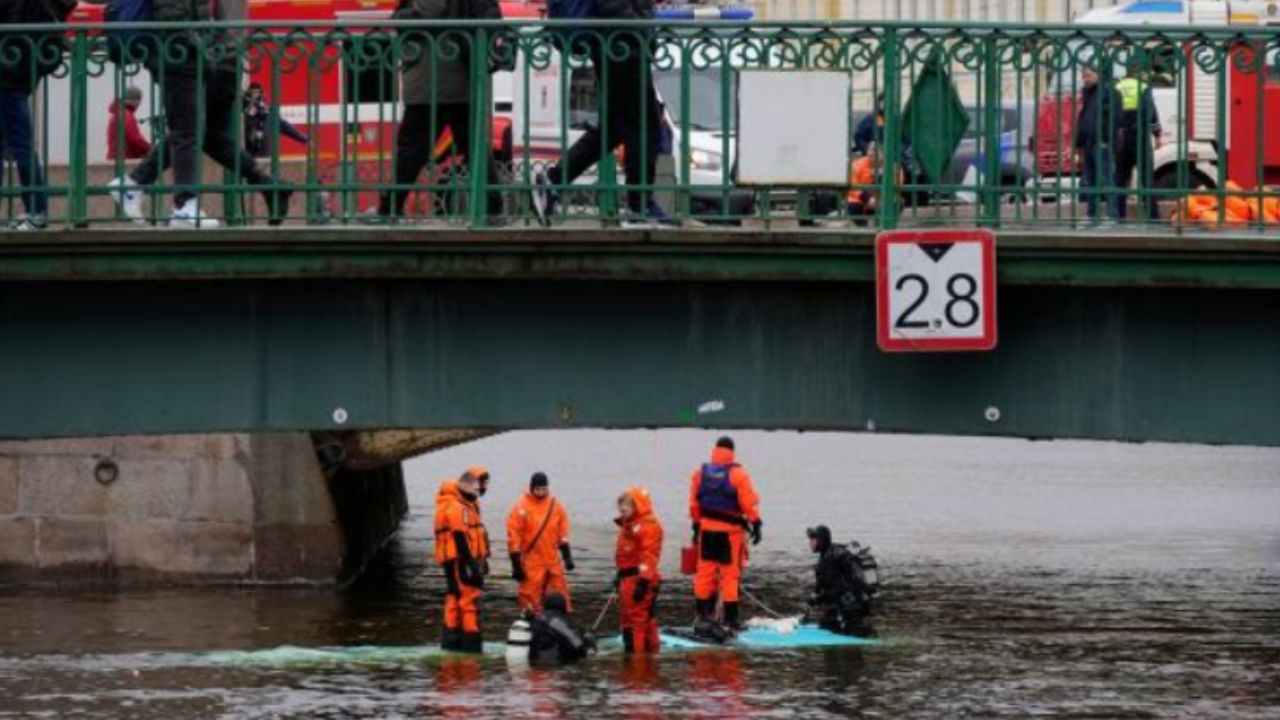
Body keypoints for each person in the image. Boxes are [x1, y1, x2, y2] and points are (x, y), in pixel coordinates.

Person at [108, 0, 292, 229]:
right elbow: (174, 16)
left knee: (201, 133)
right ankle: (182, 206)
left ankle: (136, 186)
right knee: (190, 130)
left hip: (205, 57)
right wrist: (203, 48)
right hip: (185, 55)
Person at [529, 0, 667, 227]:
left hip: (619, 43)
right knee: (642, 125)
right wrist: (640, 27)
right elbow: (612, 6)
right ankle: (639, 207)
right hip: (621, 44)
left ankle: (553, 182)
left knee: (616, 127)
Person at [374, 0, 505, 222]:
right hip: (463, 79)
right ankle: (494, 209)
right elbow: (492, 18)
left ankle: (389, 209)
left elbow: (429, 9)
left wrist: (403, 17)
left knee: (411, 150)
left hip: (433, 80)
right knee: (475, 149)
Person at [0, 0, 77, 231]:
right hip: (19, 70)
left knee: (21, 144)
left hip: (7, 71)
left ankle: (37, 210)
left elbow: (11, 26)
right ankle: (36, 210)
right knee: (18, 143)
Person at [689, 435, 761, 631]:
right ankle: (730, 620)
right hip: (730, 533)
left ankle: (702, 616)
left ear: (715, 449)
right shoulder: (739, 474)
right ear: (732, 451)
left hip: (707, 530)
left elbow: (694, 503)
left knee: (704, 574)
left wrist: (696, 526)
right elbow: (748, 503)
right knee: (730, 576)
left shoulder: (700, 474)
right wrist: (756, 523)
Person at [434, 466, 491, 653]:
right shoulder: (458, 507)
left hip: (457, 561)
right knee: (468, 601)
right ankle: (471, 644)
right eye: (479, 484)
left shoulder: (464, 504)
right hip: (460, 560)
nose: (482, 489)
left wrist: (482, 559)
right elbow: (460, 537)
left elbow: (476, 535)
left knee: (455, 598)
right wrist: (470, 564)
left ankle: (452, 642)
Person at [507, 472, 575, 614]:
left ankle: (558, 626)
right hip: (532, 561)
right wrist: (516, 565)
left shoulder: (555, 505)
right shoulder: (521, 506)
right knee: (530, 599)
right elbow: (514, 537)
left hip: (552, 560)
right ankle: (531, 627)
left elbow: (562, 533)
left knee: (559, 596)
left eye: (543, 489)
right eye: (538, 489)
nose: (541, 492)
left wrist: (567, 557)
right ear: (531, 488)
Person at [615, 485, 663, 654]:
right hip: (628, 579)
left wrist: (643, 582)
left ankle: (638, 663)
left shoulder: (647, 526)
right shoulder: (628, 526)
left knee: (638, 623)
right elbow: (625, 556)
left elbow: (648, 555)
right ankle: (643, 656)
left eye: (626, 505)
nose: (622, 509)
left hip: (640, 580)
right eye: (621, 505)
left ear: (636, 506)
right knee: (633, 621)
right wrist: (619, 576)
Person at [806, 525, 875, 638]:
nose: (809, 543)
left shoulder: (838, 554)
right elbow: (822, 583)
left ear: (821, 540)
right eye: (810, 540)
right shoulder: (823, 558)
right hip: (834, 607)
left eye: (813, 539)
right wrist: (815, 597)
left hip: (849, 607)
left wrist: (866, 590)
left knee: (857, 637)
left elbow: (851, 579)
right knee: (826, 631)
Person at [1074, 60, 1122, 221]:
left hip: (1102, 144)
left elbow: (1114, 119)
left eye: (1088, 75)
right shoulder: (1089, 94)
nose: (1085, 79)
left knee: (1107, 180)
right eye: (1083, 76)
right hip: (1089, 144)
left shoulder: (1110, 92)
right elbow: (1084, 120)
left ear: (1098, 75)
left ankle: (1112, 215)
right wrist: (1078, 143)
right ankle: (1092, 214)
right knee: (1091, 181)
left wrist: (1105, 139)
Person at [1114, 68, 1162, 221]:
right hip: (1139, 135)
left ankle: (1119, 216)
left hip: (1121, 136)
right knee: (1147, 178)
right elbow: (1150, 111)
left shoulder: (1117, 86)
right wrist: (1157, 134)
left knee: (1121, 179)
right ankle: (1152, 216)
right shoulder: (1143, 87)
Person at [242, 82, 309, 160]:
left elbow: (287, 128)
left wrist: (304, 139)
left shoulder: (269, 115)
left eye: (257, 92)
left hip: (265, 157)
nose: (254, 96)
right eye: (252, 93)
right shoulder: (242, 114)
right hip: (247, 157)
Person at [527, 592, 594, 666]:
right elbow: (577, 645)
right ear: (563, 606)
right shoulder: (557, 621)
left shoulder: (536, 619)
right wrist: (589, 642)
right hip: (553, 666)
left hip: (532, 663)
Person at [107, 86, 153, 163]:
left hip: (115, 157)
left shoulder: (118, 113)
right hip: (124, 158)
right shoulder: (126, 115)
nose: (139, 103)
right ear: (134, 100)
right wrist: (150, 149)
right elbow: (135, 138)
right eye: (138, 99)